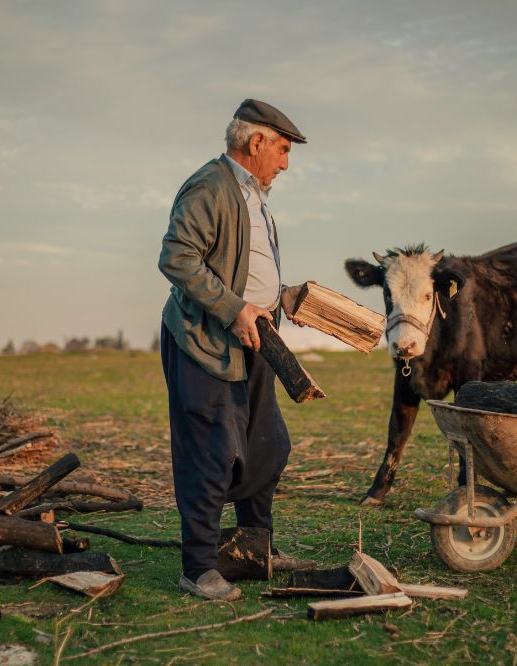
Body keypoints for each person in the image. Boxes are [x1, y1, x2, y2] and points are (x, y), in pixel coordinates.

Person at [157, 99, 308, 600]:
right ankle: (198, 568)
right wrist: (236, 309)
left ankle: (254, 548)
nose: (285, 163)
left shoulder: (256, 197)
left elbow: (244, 265)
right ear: (256, 141)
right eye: (283, 150)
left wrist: (281, 298)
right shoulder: (211, 185)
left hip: (256, 342)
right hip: (208, 343)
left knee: (267, 447)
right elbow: (177, 258)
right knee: (211, 454)